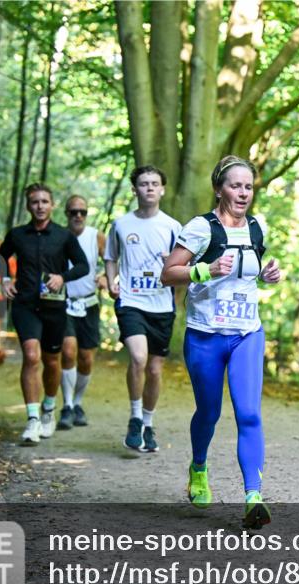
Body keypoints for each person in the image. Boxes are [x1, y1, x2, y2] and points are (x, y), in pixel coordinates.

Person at [161, 155, 282, 529]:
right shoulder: (201, 228)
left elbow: (253, 273)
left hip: (247, 333)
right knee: (210, 412)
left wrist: (269, 273)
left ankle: (253, 497)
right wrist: (205, 269)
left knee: (249, 413)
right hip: (205, 336)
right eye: (235, 185)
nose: (242, 193)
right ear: (219, 188)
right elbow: (168, 273)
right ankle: (199, 467)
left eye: (248, 186)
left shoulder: (258, 227)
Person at [0, 183, 90, 444]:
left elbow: (83, 265)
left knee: (52, 362)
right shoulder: (17, 235)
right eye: (35, 202)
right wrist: (5, 279)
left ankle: (49, 409)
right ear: (28, 206)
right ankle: (32, 419)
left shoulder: (63, 236)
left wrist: (63, 277)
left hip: (54, 307)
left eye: (44, 202)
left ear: (52, 206)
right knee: (30, 356)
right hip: (25, 304)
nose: (39, 206)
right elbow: (0, 256)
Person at [105, 165, 182, 454]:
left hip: (162, 305)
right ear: (135, 189)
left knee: (154, 368)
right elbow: (110, 256)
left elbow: (186, 267)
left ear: (162, 189)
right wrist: (112, 280)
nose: (149, 188)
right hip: (131, 301)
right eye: (143, 183)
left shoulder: (173, 227)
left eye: (154, 183)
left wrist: (171, 263)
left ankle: (149, 424)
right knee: (138, 357)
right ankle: (135, 417)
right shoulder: (121, 224)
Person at [58, 195, 106, 429]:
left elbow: (114, 260)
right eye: (73, 212)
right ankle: (66, 405)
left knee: (86, 358)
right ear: (66, 214)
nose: (78, 216)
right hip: (62, 302)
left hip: (88, 303)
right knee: (68, 352)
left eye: (82, 212)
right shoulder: (57, 236)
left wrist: (108, 276)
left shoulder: (96, 236)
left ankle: (77, 403)